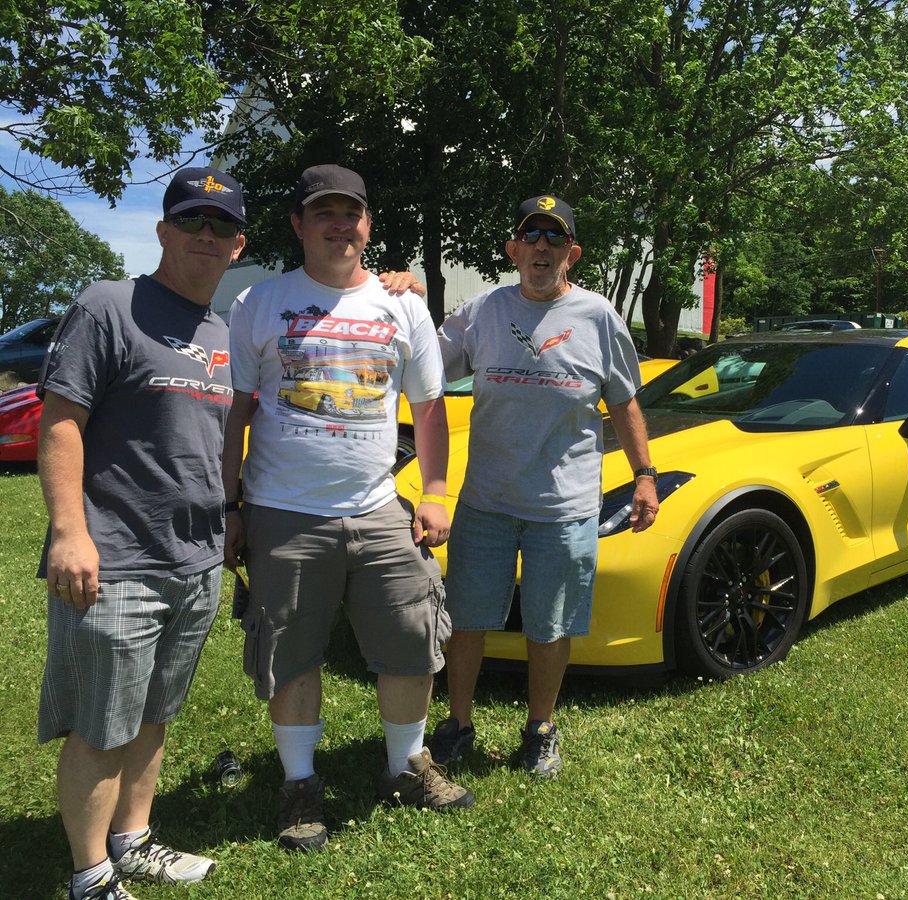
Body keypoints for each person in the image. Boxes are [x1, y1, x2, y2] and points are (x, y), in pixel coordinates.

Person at [221, 164, 472, 854]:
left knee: (412, 637)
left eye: (351, 213)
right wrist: (230, 504)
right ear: (299, 225)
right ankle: (300, 784)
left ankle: (405, 765)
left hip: (379, 508)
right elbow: (237, 411)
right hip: (281, 510)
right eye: (322, 213)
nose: (339, 225)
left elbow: (428, 408)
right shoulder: (259, 304)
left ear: (367, 224)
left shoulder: (404, 306)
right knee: (291, 651)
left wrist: (438, 492)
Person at [38, 167, 248, 900]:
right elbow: (61, 420)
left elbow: (220, 443)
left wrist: (231, 520)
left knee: (155, 711)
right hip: (114, 557)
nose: (205, 236)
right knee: (102, 721)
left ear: (237, 244)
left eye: (221, 227)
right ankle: (90, 875)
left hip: (195, 560)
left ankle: (132, 838)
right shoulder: (109, 306)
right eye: (192, 221)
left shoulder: (225, 333)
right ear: (163, 231)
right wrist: (70, 531)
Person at [431, 194, 658, 778]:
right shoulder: (483, 310)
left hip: (565, 505)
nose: (540, 247)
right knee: (468, 617)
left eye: (553, 238)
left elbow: (624, 399)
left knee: (550, 623)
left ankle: (540, 729)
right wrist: (392, 299)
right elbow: (423, 364)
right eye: (530, 235)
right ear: (513, 248)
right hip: (486, 500)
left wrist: (645, 476)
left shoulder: (598, 317)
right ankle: (458, 723)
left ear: (571, 254)